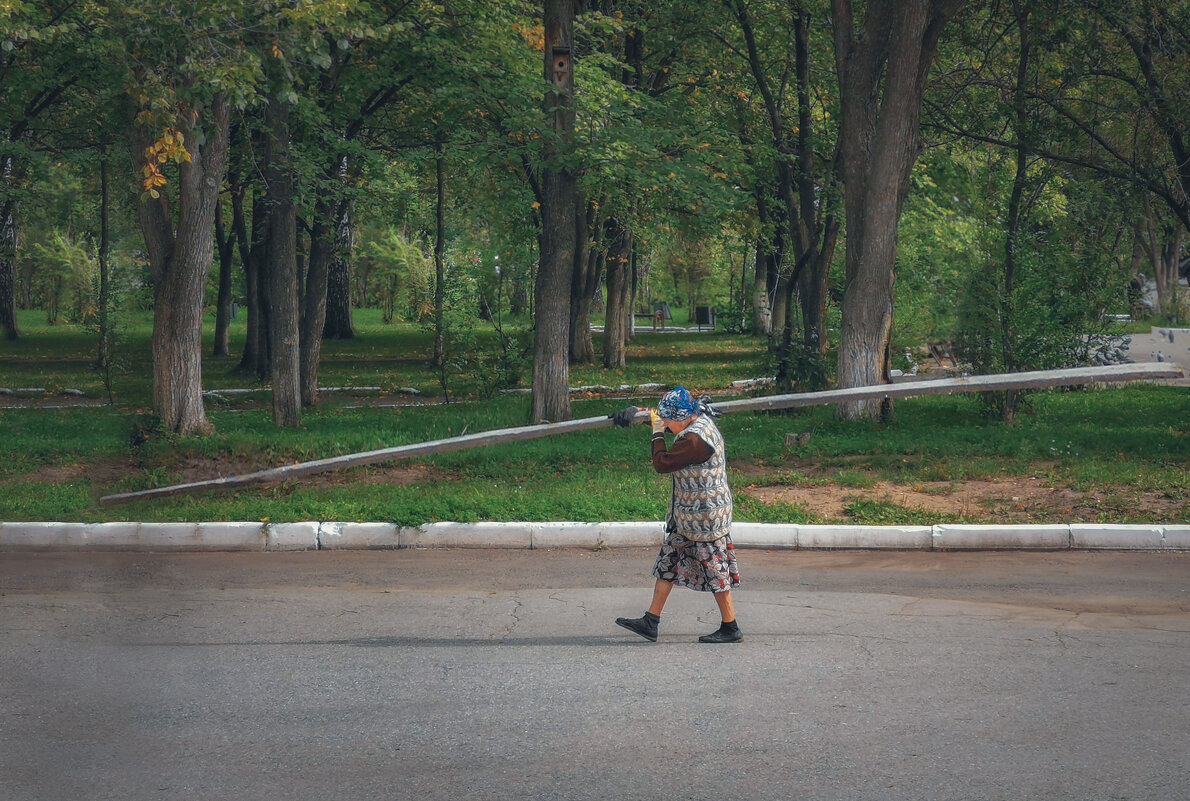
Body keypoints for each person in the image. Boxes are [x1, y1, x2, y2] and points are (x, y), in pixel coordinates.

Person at [610, 386, 742, 643]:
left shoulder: (694, 441)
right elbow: (660, 415)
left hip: (705, 519)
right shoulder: (697, 415)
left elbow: (662, 463)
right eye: (665, 421)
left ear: (683, 417)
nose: (667, 425)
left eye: (669, 421)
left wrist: (656, 432)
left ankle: (731, 626)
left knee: (715, 571)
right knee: (667, 563)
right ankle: (651, 621)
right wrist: (638, 412)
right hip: (687, 516)